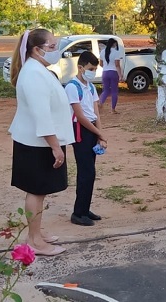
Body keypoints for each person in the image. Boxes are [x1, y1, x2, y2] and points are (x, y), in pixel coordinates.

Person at [9, 28, 74, 256]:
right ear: (37, 49)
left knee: (40, 191)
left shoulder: (39, 70)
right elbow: (42, 115)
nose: (57, 51)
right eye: (52, 47)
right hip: (38, 143)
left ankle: (36, 232)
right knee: (36, 192)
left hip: (41, 141)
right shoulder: (34, 74)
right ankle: (34, 240)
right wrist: (55, 146)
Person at [65, 51, 108, 226]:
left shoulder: (90, 86)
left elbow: (95, 111)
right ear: (80, 67)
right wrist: (99, 134)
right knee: (86, 172)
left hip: (91, 129)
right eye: (90, 68)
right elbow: (80, 116)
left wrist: (100, 133)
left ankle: (84, 208)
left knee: (90, 172)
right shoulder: (72, 87)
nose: (93, 71)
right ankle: (78, 212)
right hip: (80, 131)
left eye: (95, 68)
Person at [99, 38, 124, 114]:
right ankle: (113, 109)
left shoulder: (103, 52)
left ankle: (100, 103)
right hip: (113, 73)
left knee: (106, 90)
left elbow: (101, 64)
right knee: (114, 91)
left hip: (105, 72)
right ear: (114, 44)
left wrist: (106, 67)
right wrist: (120, 75)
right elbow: (117, 65)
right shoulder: (116, 52)